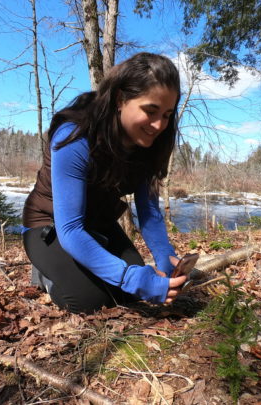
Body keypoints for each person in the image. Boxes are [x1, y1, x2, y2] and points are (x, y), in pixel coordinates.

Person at [22, 52, 187, 313]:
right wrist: (132, 278)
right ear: (121, 99)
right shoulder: (75, 136)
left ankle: (82, 268)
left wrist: (166, 260)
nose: (158, 125)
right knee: (87, 301)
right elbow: (71, 230)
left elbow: (149, 211)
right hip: (49, 225)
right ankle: (46, 271)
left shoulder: (149, 145)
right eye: (150, 111)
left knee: (128, 295)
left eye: (167, 115)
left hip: (98, 224)